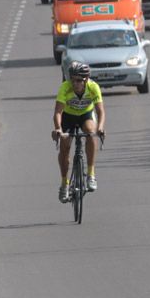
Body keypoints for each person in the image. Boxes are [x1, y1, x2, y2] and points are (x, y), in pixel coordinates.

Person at [53, 61, 106, 202]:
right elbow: (58, 112)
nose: (75, 83)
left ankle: (90, 174)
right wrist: (58, 129)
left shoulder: (93, 87)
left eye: (78, 80)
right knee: (64, 145)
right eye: (72, 79)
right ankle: (64, 184)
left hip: (85, 115)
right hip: (68, 116)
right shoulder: (65, 87)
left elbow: (100, 111)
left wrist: (100, 128)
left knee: (90, 131)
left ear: (86, 79)